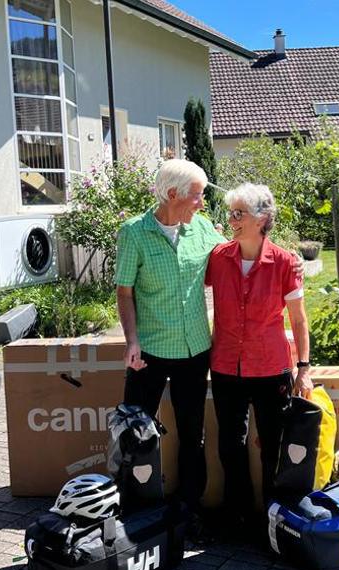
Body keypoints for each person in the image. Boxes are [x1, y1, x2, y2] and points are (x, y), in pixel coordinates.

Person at [114, 159, 225, 531]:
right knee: (136, 430)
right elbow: (124, 292)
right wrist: (132, 340)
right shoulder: (134, 232)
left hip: (194, 349)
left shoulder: (204, 228)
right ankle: (134, 504)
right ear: (173, 193)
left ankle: (189, 509)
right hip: (150, 351)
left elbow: (232, 259)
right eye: (197, 195)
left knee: (193, 433)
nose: (201, 202)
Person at [205, 183, 313, 537]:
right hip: (226, 366)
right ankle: (237, 515)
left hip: (271, 367)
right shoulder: (218, 257)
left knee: (272, 445)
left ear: (262, 219)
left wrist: (304, 370)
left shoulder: (284, 262)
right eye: (231, 213)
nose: (232, 219)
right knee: (229, 445)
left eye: (240, 214)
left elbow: (298, 319)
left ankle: (273, 515)